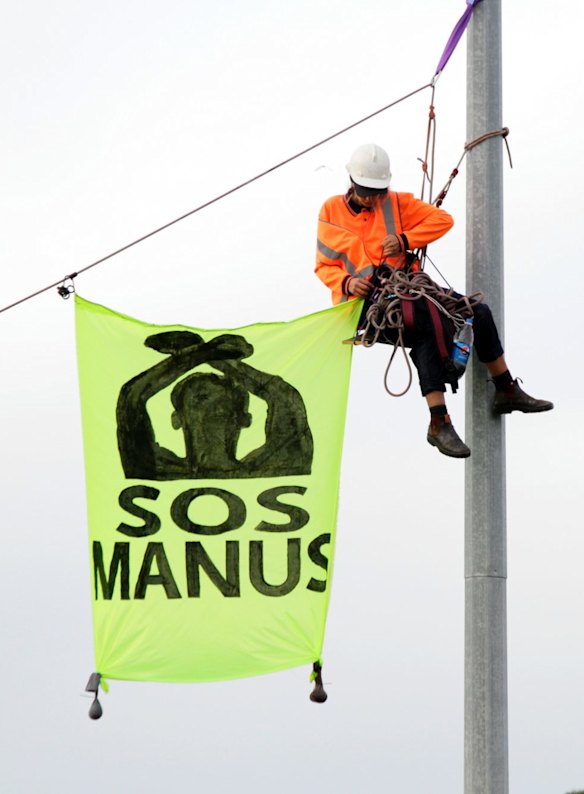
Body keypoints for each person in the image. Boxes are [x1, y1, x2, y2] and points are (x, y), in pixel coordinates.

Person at [315, 142, 553, 458]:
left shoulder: (396, 204)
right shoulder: (331, 211)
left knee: (478, 312)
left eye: (377, 192)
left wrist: (405, 240)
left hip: (410, 291)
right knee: (422, 322)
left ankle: (506, 389)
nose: (372, 199)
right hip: (367, 307)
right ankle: (439, 420)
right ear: (352, 183)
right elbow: (323, 265)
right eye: (366, 192)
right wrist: (346, 282)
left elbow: (443, 220)